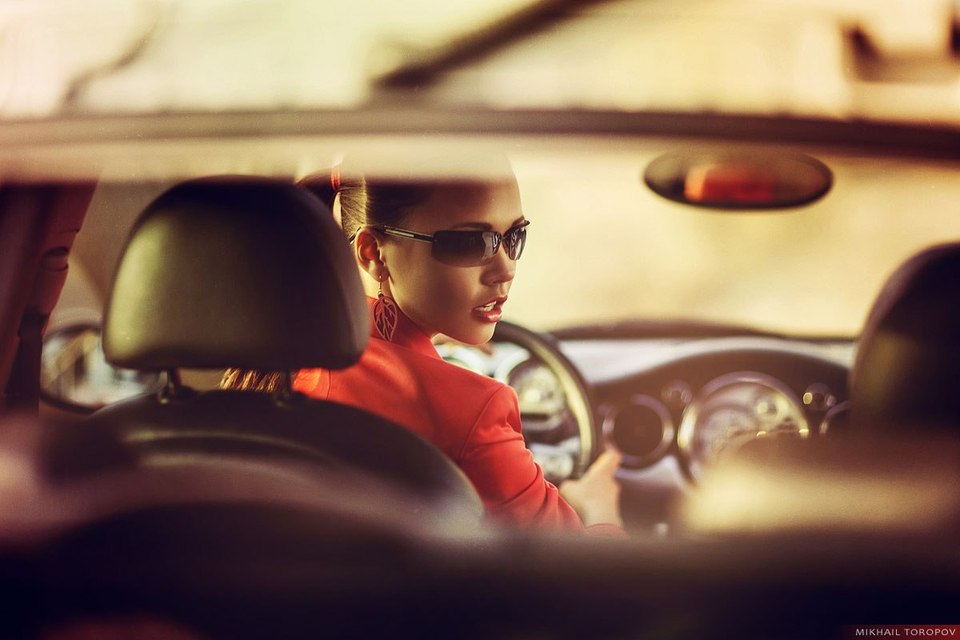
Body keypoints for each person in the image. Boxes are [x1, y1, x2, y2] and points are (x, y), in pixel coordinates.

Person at [225, 157, 623, 534]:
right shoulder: (471, 412)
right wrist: (598, 509)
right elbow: (602, 590)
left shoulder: (265, 371)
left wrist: (423, 341)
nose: (505, 270)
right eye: (469, 243)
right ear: (373, 254)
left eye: (514, 236)